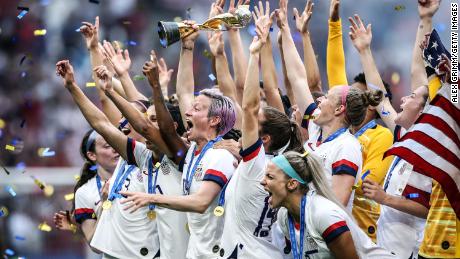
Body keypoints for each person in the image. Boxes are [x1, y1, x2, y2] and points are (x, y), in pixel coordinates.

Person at [120, 49, 237, 258]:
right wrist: (156, 86)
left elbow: (201, 203)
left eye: (197, 109)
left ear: (214, 120)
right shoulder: (192, 153)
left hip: (219, 254)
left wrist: (151, 198)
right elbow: (165, 130)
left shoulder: (222, 156)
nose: (188, 113)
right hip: (196, 252)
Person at [275, 0, 382, 210]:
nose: (319, 99)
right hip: (303, 230)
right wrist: (286, 31)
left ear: (339, 109)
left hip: (323, 236)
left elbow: (337, 205)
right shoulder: (316, 129)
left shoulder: (347, 147)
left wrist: (300, 207)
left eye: (326, 98)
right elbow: (298, 78)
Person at [216, 2, 304, 258]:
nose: (246, 121)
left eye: (253, 120)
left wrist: (255, 53)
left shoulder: (258, 164)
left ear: (263, 139)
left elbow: (249, 103)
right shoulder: (278, 166)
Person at [346, 12, 433, 259]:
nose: (403, 99)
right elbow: (380, 96)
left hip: (409, 251)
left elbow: (428, 208)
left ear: (423, 110)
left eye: (411, 97)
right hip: (386, 246)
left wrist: (385, 198)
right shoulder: (405, 134)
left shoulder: (430, 150)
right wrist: (364, 51)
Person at [56, 60, 160, 258]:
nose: (120, 122)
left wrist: (121, 79)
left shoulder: (153, 155)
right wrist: (72, 86)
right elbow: (100, 122)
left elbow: (109, 117)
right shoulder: (126, 156)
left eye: (126, 117)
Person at [261, 151, 396, 258]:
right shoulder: (284, 216)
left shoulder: (323, 215)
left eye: (270, 177)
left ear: (292, 184)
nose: (262, 182)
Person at [54, 130, 118, 248]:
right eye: (107, 146)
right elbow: (94, 245)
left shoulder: (138, 174)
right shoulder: (85, 192)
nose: (115, 149)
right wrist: (105, 204)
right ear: (92, 155)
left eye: (115, 143)